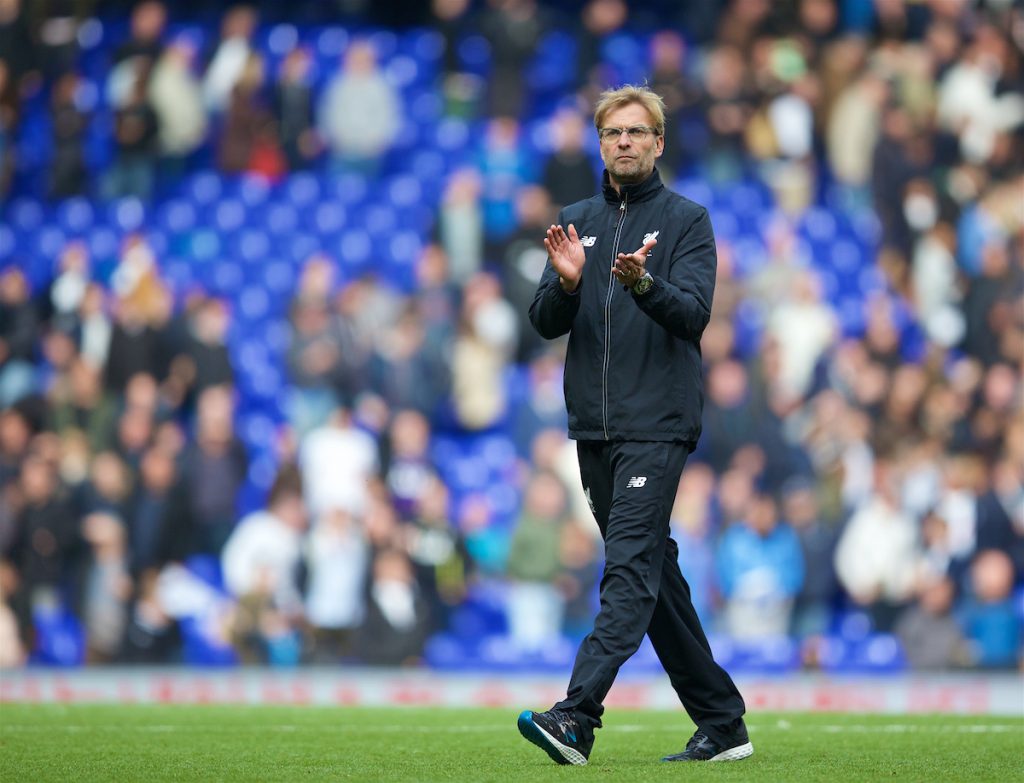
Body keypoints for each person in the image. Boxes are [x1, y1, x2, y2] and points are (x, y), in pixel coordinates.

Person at [517, 85, 750, 766]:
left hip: (658, 424)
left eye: (636, 131)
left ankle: (576, 716)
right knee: (653, 575)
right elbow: (542, 322)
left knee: (625, 569)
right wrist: (565, 284)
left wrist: (642, 283)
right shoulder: (575, 218)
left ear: (658, 142)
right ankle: (723, 722)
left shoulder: (687, 221)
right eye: (612, 132)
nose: (623, 141)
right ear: (600, 143)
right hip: (594, 430)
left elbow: (694, 315)